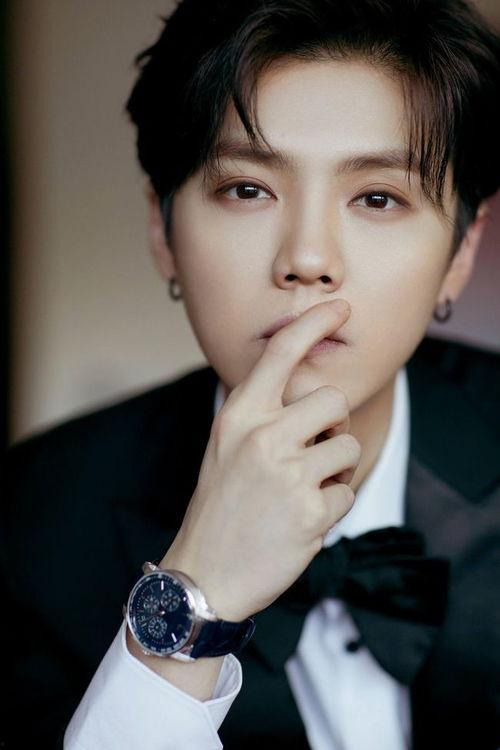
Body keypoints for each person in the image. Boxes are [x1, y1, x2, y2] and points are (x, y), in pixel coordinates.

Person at [2, 0, 500, 747]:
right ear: (162, 230)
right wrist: (195, 591)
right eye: (247, 189)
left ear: (461, 252)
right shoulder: (31, 522)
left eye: (377, 197)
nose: (307, 258)